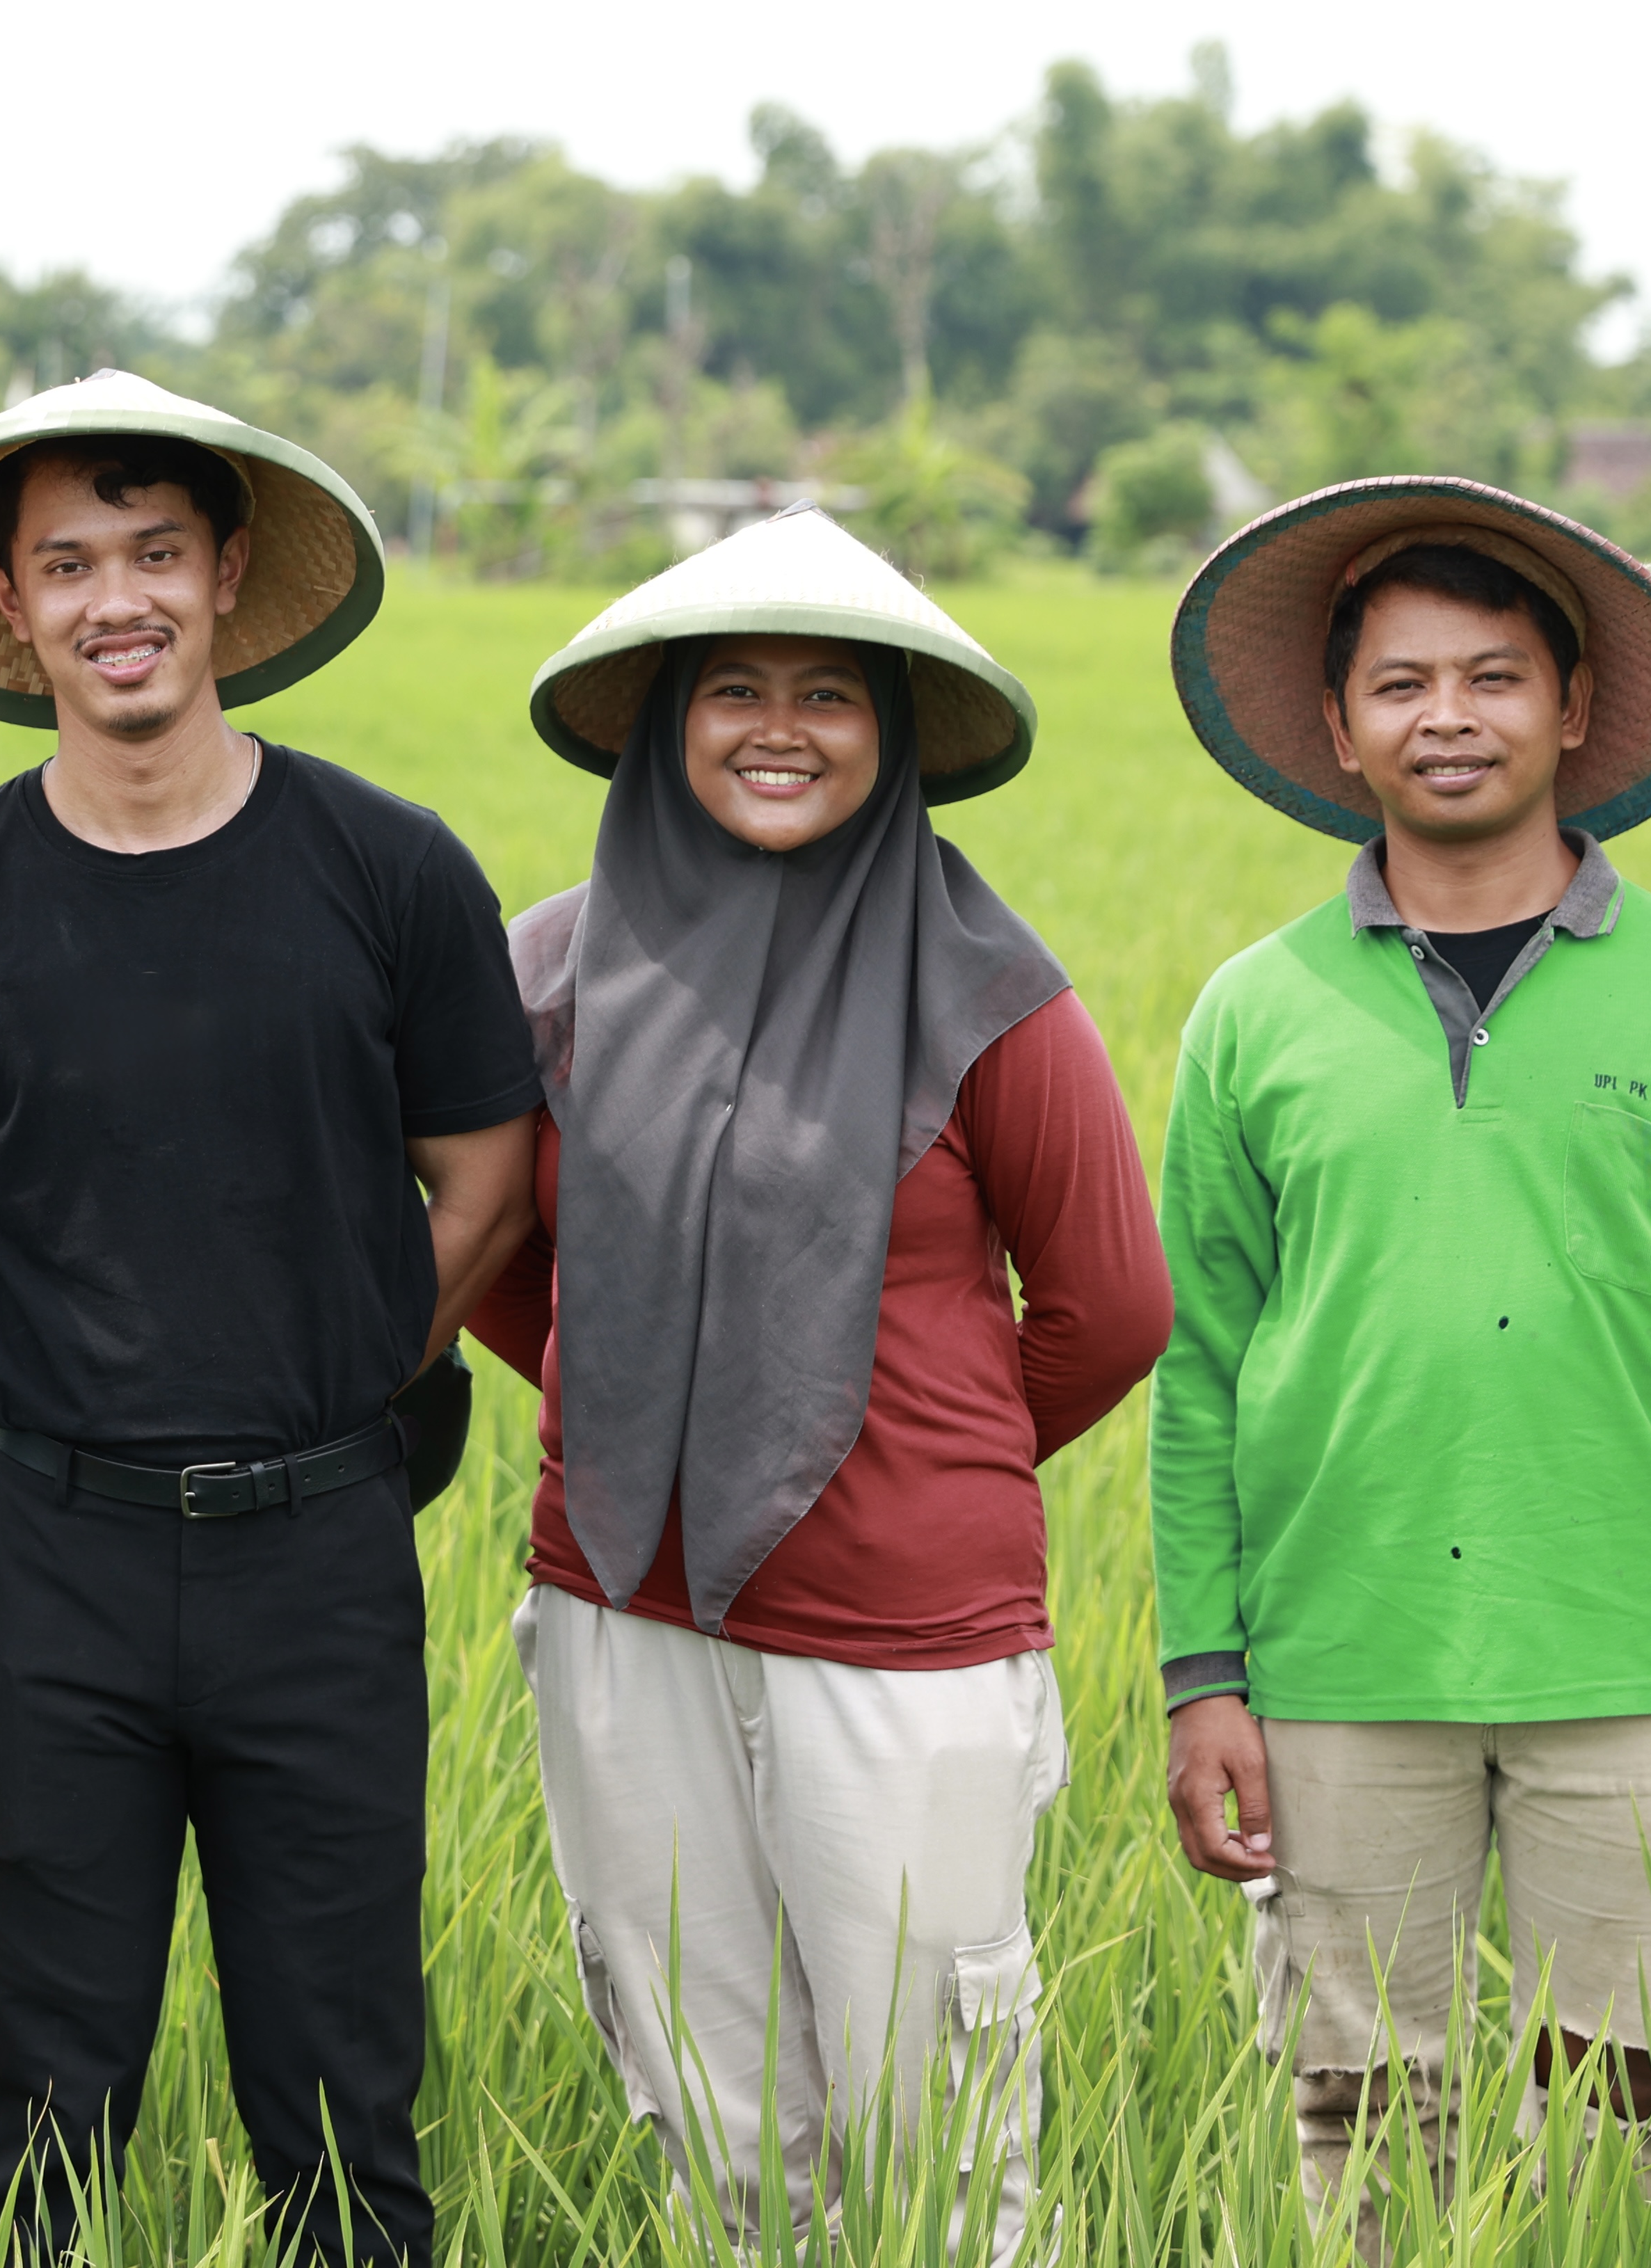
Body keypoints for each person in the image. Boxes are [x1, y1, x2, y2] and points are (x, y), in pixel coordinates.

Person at [0, 374, 540, 2264]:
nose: (113, 599)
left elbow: (487, 1182)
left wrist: (344, 1381)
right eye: (68, 564)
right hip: (52, 1566)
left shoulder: (389, 871)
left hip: (322, 1553)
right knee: (37, 2102)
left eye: (153, 554)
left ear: (227, 577)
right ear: (9, 603)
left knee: (341, 2092)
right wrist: (41, 1402)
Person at [464, 509, 1170, 2258]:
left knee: (933, 2124)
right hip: (623, 1608)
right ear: (661, 721)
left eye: (829, 695)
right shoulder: (546, 977)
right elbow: (488, 1250)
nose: (777, 725)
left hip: (907, 1637)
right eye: (731, 689)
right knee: (710, 2114)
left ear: (895, 734)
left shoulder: (991, 994)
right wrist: (632, 1410)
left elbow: (1108, 1305)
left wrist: (906, 1452)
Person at [1152, 477, 1651, 2241]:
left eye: (1488, 677)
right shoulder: (1257, 1008)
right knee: (1359, 2123)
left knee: (1615, 2128)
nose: (1443, 719)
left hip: (1632, 1658)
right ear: (1335, 726)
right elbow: (1198, 1368)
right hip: (1336, 1656)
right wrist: (1198, 1673)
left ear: (1570, 711)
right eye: (1397, 684)